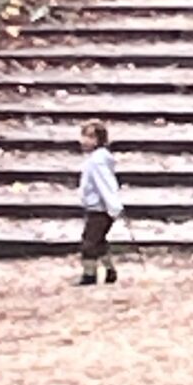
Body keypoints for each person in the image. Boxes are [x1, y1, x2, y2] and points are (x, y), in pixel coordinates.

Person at [78, 119, 124, 285]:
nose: (85, 141)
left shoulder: (97, 161)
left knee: (89, 243)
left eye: (90, 137)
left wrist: (113, 206)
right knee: (98, 241)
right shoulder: (97, 159)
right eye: (84, 136)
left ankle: (89, 274)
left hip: (100, 208)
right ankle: (110, 270)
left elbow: (105, 184)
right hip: (96, 207)